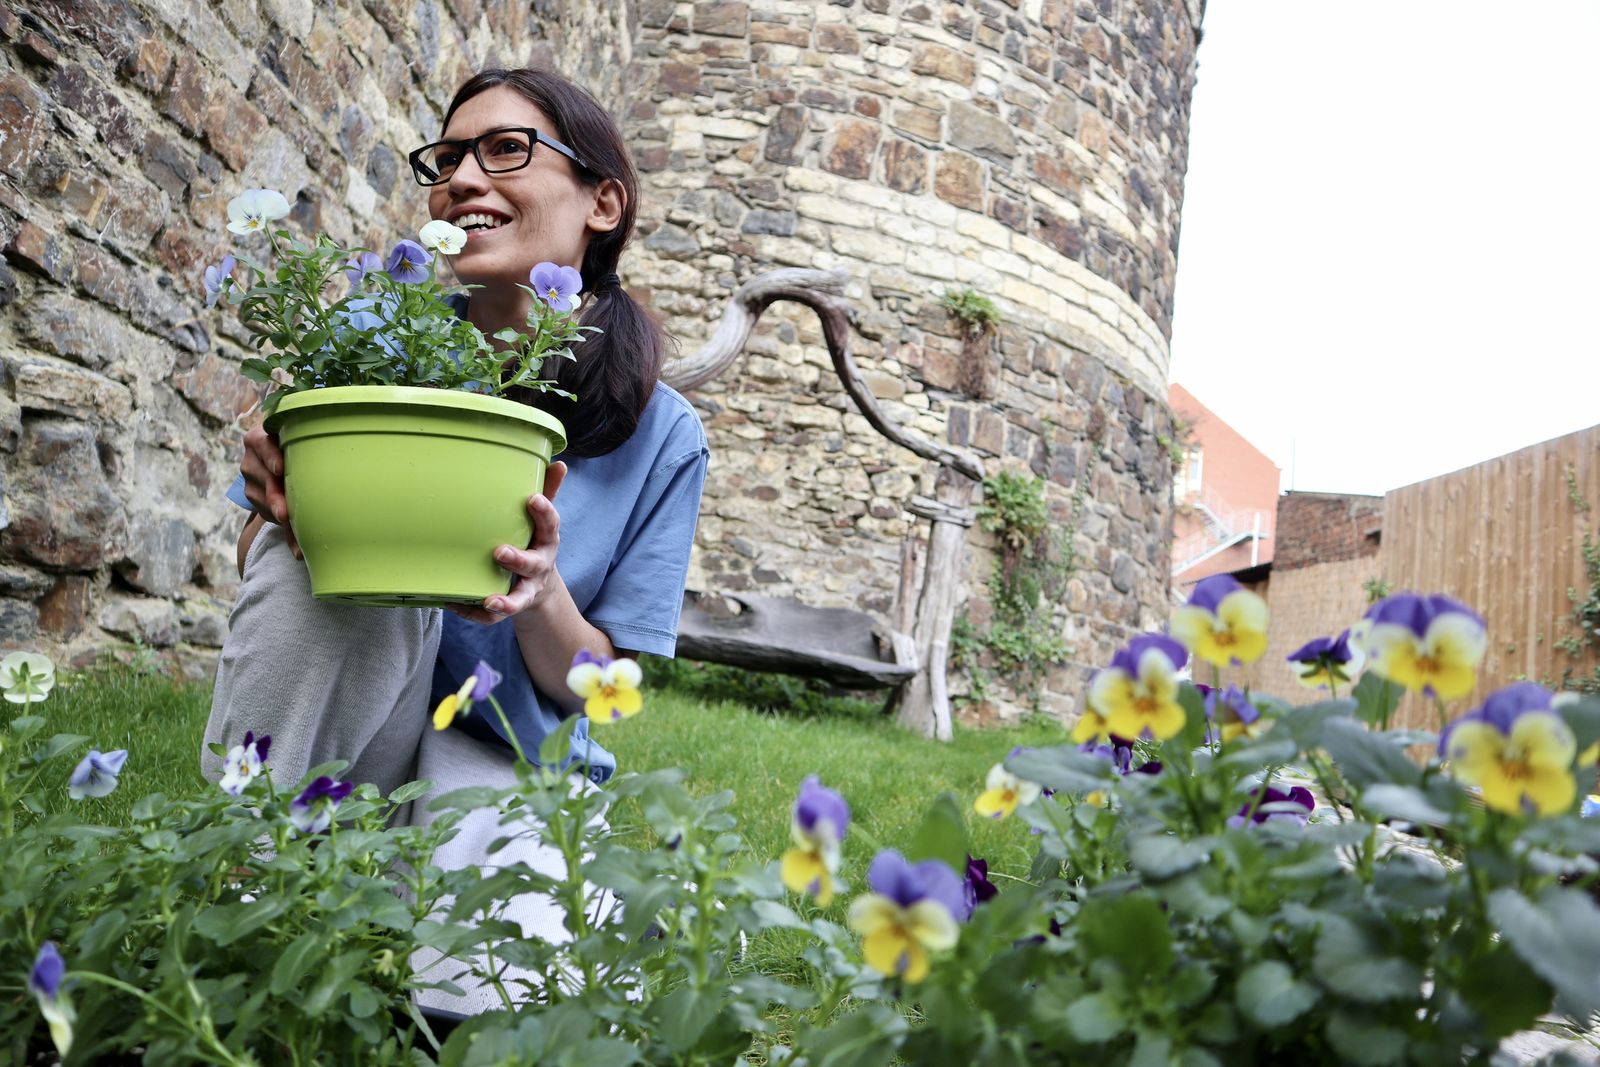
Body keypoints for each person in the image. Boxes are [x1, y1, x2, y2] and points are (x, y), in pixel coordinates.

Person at [203, 69, 709, 1006]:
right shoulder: (374, 348)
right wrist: (286, 506)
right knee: (348, 572)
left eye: (505, 149)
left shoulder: (662, 431)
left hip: (506, 748)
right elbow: (264, 573)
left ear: (604, 202)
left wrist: (541, 588)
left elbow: (604, 691)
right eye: (448, 159)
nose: (463, 178)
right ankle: (240, 861)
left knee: (477, 1007)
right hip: (354, 724)